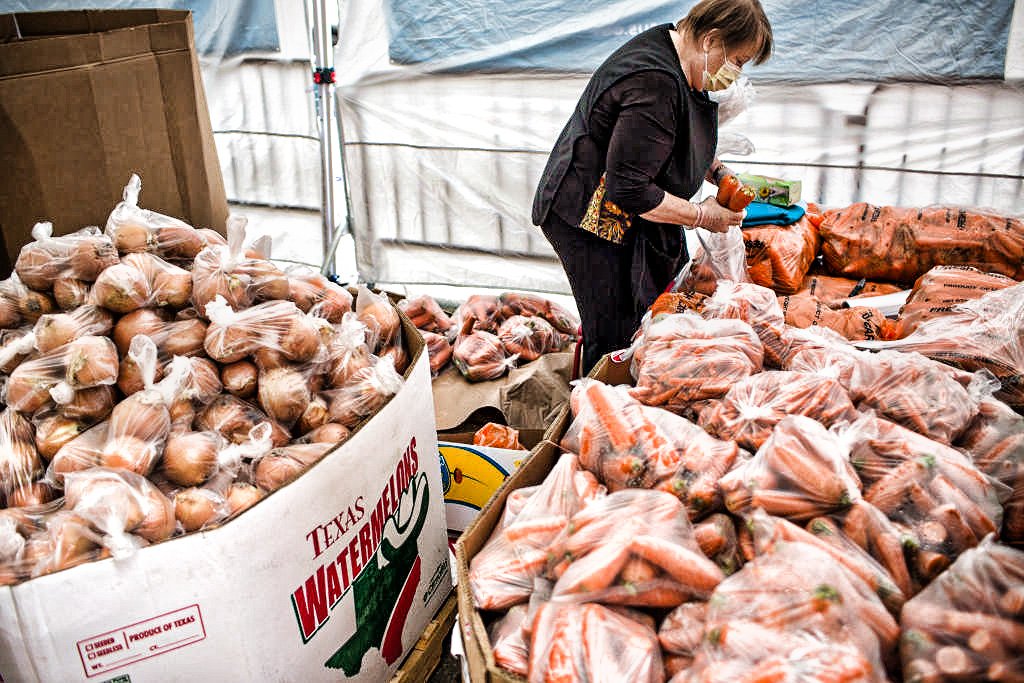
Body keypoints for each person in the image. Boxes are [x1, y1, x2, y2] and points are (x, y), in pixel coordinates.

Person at [532, 0, 773, 374]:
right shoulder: (654, 80)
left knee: (658, 303)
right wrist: (700, 216)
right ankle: (598, 409)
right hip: (589, 217)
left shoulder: (683, 59)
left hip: (630, 214)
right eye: (738, 61)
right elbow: (629, 189)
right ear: (711, 40)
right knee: (616, 326)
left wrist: (719, 172)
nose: (737, 74)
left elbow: (674, 137)